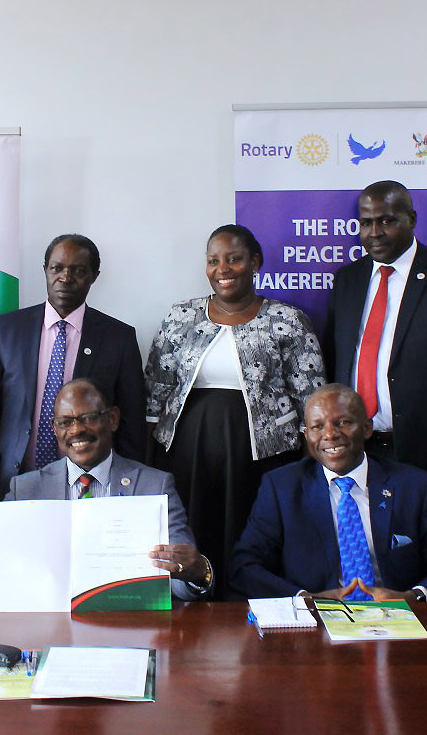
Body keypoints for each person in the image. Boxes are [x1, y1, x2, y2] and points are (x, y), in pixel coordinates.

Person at [146, 224, 325, 598]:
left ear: (255, 262)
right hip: (190, 452)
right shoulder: (182, 316)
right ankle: (195, 598)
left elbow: (312, 395)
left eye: (234, 259)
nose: (222, 268)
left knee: (253, 532)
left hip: (263, 456)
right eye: (213, 260)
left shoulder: (287, 319)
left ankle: (252, 605)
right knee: (195, 526)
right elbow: (158, 386)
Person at [0, 378, 212, 600]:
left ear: (113, 419)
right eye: (66, 422)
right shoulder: (24, 489)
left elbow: (181, 583)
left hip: (129, 626)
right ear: (54, 429)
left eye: (88, 418)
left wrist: (198, 571)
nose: (77, 430)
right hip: (46, 632)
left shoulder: (155, 486)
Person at [324, 180, 427, 523]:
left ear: (412, 219)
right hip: (355, 448)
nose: (375, 232)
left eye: (387, 220)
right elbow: (337, 364)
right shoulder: (348, 279)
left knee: (420, 556)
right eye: (366, 222)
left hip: (424, 455)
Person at [228, 385, 427, 601]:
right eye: (317, 426)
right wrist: (304, 599)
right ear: (307, 436)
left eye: (343, 422)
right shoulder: (281, 487)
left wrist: (412, 596)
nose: (330, 434)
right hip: (314, 621)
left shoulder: (414, 485)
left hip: (398, 619)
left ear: (367, 428)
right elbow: (245, 566)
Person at [0, 234, 145, 505]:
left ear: (94, 276)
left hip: (88, 485)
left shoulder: (118, 338)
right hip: (15, 481)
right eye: (57, 268)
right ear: (45, 270)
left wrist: (131, 496)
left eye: (78, 270)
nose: (66, 277)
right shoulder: (8, 330)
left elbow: (132, 425)